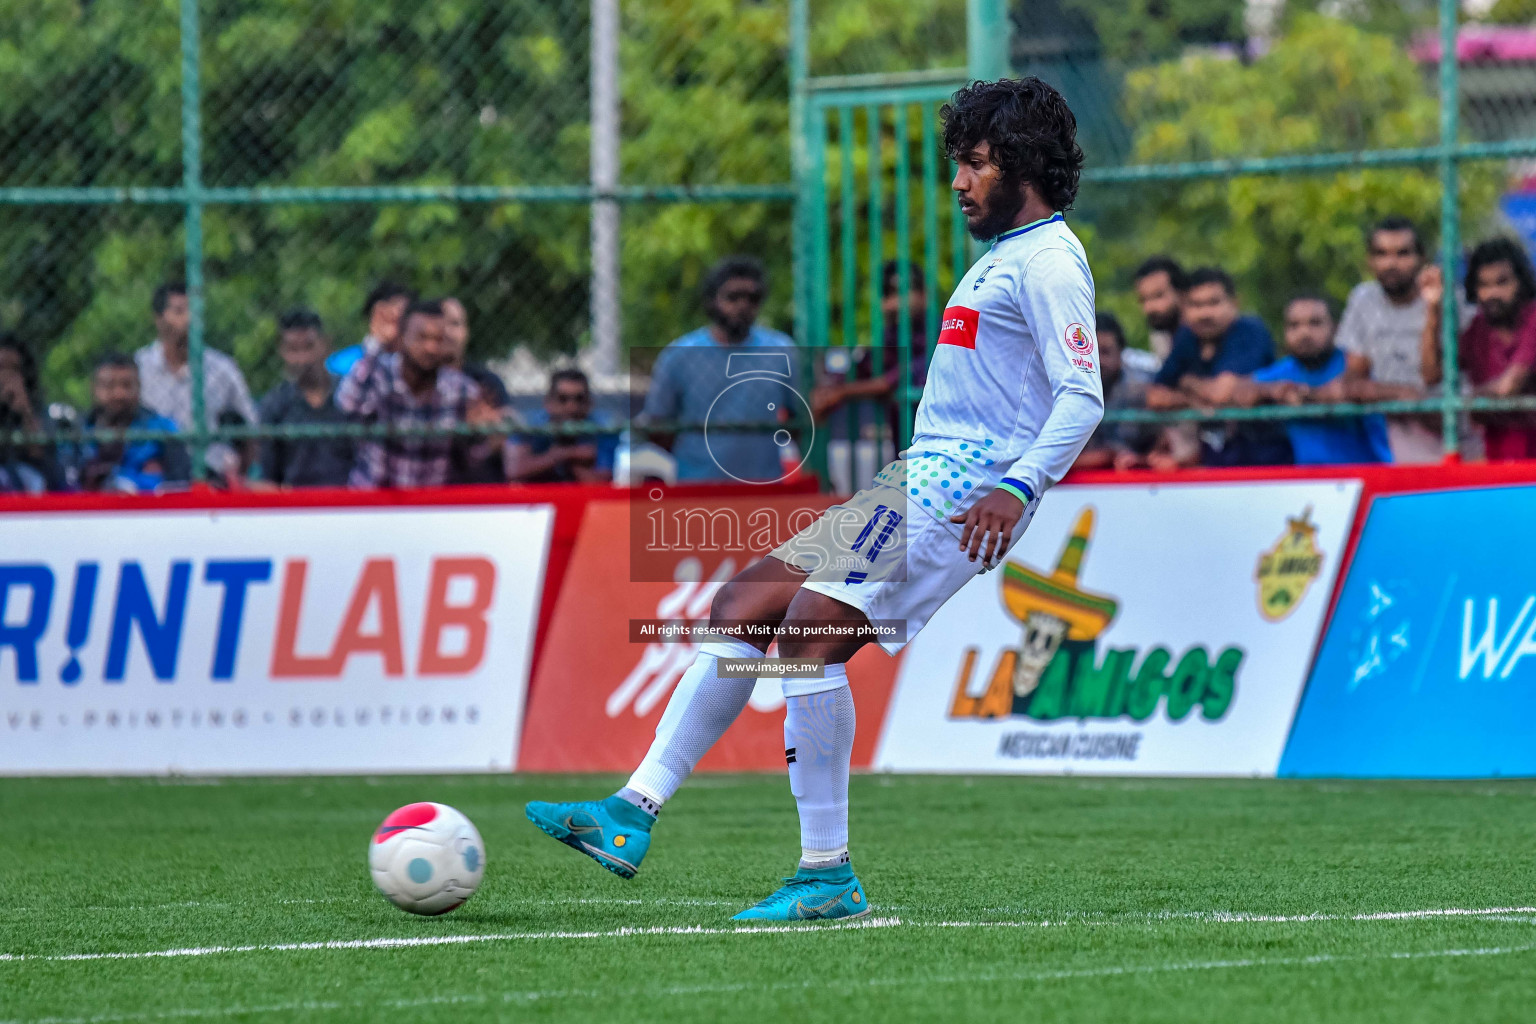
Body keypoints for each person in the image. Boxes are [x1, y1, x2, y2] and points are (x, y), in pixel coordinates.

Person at [525, 77, 1102, 921]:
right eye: (958, 164)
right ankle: (630, 812)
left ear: (1023, 164)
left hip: (962, 491)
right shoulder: (1004, 259)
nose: (958, 182)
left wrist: (1018, 487)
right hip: (915, 479)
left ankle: (826, 873)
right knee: (744, 602)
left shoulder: (1050, 262)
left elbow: (1081, 395)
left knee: (804, 642)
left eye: (975, 163)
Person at [640, 256, 797, 482]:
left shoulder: (781, 352)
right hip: (698, 486)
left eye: (752, 298)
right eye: (733, 297)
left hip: (763, 484)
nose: (743, 306)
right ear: (712, 301)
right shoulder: (680, 355)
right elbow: (658, 424)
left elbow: (798, 420)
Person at [335, 298, 490, 488]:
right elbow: (346, 403)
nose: (430, 348)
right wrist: (375, 344)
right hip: (373, 501)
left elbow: (473, 461)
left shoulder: (462, 390)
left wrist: (480, 434)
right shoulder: (378, 374)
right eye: (422, 337)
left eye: (438, 339)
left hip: (429, 506)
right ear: (401, 338)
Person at [1146, 266, 1292, 466]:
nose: (1204, 313)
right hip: (1215, 460)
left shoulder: (1250, 331)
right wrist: (1195, 401)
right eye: (1196, 305)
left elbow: (1221, 394)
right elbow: (1155, 396)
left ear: (1234, 303)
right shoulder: (1187, 337)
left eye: (1213, 302)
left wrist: (1186, 382)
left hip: (1264, 460)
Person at [1228, 295, 1392, 465]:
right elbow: (1241, 391)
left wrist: (1305, 395)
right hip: (1309, 482)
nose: (1304, 333)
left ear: (1336, 329)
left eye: (1315, 323)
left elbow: (1354, 390)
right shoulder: (1286, 369)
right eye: (1294, 325)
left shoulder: (1354, 365)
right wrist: (1270, 391)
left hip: (1369, 475)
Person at [1335, 217, 1440, 463]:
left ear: (1421, 258)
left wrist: (1433, 311)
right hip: (1400, 439)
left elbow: (1432, 376)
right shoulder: (1363, 299)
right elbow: (1355, 378)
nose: (1391, 263)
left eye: (1402, 254)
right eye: (1382, 254)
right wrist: (1402, 394)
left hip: (1450, 434)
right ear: (1370, 261)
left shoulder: (1445, 299)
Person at [1421, 237, 1536, 460]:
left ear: (1521, 282)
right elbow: (1431, 374)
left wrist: (1463, 401)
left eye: (1502, 283)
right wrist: (1433, 308)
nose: (1492, 293)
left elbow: (1507, 387)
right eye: (1484, 285)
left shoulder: (1533, 318)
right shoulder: (1478, 329)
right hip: (1498, 459)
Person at [134, 281, 258, 482]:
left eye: (195, 311)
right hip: (154, 478)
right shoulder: (139, 368)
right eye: (179, 311)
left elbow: (251, 427)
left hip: (213, 477)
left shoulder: (223, 369)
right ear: (159, 319)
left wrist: (239, 474)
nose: (190, 318)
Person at [811, 260, 931, 442]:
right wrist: (828, 391)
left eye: (901, 291)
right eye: (887, 294)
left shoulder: (941, 331)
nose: (894, 302)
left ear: (924, 294)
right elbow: (861, 370)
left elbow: (891, 380)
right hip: (904, 449)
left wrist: (841, 392)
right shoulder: (891, 335)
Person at [256, 309, 353, 488]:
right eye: (293, 350)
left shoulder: (350, 393)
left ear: (325, 345)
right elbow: (268, 477)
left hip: (349, 500)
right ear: (282, 352)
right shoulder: (275, 404)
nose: (302, 359)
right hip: (296, 505)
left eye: (309, 347)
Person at [66, 353, 190, 492]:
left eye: (127, 385)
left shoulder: (162, 429)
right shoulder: (77, 431)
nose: (119, 394)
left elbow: (181, 483)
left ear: (138, 387)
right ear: (94, 388)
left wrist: (137, 484)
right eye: (110, 386)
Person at [1072, 312, 1159, 470]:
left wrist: (1141, 459)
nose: (1097, 361)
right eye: (1089, 353)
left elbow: (1163, 450)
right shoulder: (1063, 390)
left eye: (1105, 352)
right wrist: (1106, 456)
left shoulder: (1144, 389)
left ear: (1121, 353)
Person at [442, 296, 514, 484]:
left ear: (466, 332)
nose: (448, 332)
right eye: (442, 324)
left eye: (456, 324)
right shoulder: (419, 383)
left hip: (482, 487)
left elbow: (506, 426)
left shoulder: (486, 381)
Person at [505, 369, 617, 484]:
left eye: (579, 399)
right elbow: (514, 472)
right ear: (548, 402)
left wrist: (570, 462)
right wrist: (565, 453)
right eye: (562, 399)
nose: (572, 407)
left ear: (589, 403)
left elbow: (601, 483)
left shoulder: (604, 428)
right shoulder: (529, 424)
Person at [0, 333, 61, 493]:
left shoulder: (38, 411)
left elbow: (42, 456)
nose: (6, 377)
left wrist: (24, 410)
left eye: (14, 369)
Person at [326, 280, 415, 377]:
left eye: (401, 316)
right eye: (385, 316)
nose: (395, 314)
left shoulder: (418, 364)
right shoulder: (342, 362)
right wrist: (377, 343)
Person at [1133, 255, 1185, 365]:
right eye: (1143, 300)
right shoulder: (1160, 335)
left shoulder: (1206, 334)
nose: (1149, 308)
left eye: (1158, 296)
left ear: (1181, 293)